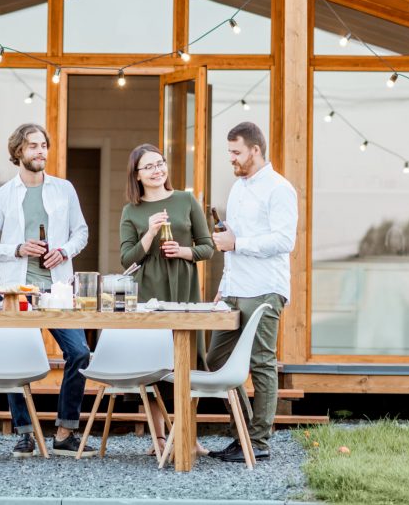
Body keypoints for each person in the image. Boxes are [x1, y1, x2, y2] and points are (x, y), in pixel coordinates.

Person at [0, 123, 95, 458]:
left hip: (57, 289)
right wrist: (17, 249)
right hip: (17, 291)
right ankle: (25, 432)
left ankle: (64, 431)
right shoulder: (2, 196)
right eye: (33, 146)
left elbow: (81, 232)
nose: (40, 151)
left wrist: (65, 250)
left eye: (43, 145)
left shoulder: (64, 189)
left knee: (79, 353)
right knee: (17, 357)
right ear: (18, 151)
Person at [207, 122, 297, 463]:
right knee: (217, 360)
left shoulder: (279, 189)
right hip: (235, 289)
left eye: (236, 152)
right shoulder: (238, 188)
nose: (231, 158)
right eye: (229, 152)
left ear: (255, 151)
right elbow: (233, 244)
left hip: (265, 288)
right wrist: (223, 286)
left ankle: (258, 441)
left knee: (261, 363)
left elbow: (284, 240)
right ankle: (243, 429)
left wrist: (238, 242)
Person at [120, 143, 213, 454]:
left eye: (160, 163)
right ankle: (158, 438)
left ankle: (188, 435)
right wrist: (149, 233)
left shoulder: (186, 200)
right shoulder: (131, 211)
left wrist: (183, 251)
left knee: (188, 360)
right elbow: (126, 258)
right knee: (156, 362)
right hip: (148, 292)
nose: (157, 170)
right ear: (137, 175)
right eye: (149, 166)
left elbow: (208, 246)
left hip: (184, 287)